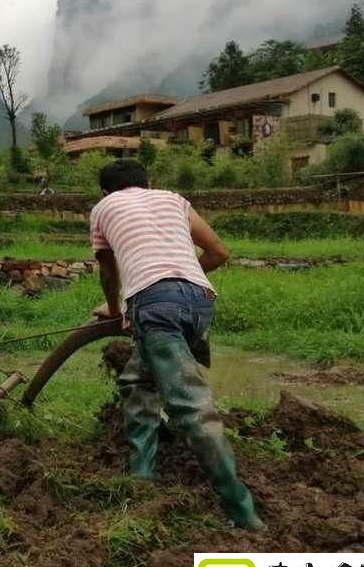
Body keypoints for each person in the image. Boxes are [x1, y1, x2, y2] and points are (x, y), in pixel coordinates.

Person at [89, 159, 264, 530]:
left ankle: (243, 511)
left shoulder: (103, 209)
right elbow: (219, 252)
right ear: (148, 183)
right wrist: (181, 282)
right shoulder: (173, 199)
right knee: (138, 380)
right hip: (200, 300)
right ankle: (142, 473)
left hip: (154, 305)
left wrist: (115, 305)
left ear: (105, 192)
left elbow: (108, 270)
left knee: (191, 407)